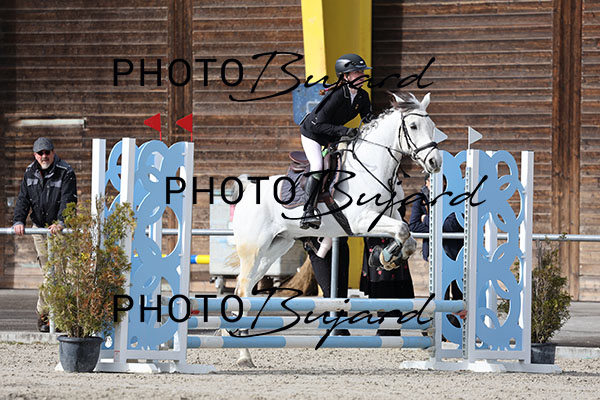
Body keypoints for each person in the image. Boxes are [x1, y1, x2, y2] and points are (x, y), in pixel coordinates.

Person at [298, 53, 372, 231]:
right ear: (346, 76)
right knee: (318, 166)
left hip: (332, 137)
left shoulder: (362, 96)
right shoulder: (337, 95)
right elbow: (318, 125)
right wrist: (345, 131)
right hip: (313, 135)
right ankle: (307, 211)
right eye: (357, 72)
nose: (362, 75)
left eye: (362, 72)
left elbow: (369, 120)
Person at [12, 137, 77, 332]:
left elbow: (68, 200)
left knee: (58, 273)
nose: (44, 156)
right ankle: (48, 317)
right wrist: (18, 221)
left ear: (53, 153)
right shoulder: (29, 172)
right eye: (40, 153)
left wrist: (61, 222)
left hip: (58, 230)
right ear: (35, 155)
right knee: (50, 273)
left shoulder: (65, 171)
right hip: (40, 229)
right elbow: (23, 199)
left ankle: (48, 315)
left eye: (47, 152)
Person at [409, 175, 466, 324]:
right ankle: (438, 326)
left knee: (459, 292)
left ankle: (457, 326)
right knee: (439, 293)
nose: (437, 184)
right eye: (432, 181)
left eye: (441, 181)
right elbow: (413, 226)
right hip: (435, 253)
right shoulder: (421, 198)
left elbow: (453, 225)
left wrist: (426, 219)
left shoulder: (454, 196)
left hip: (456, 253)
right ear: (426, 183)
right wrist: (438, 225)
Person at [361, 205, 415, 336]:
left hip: (393, 239)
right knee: (381, 283)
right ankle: (385, 326)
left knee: (396, 285)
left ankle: (393, 328)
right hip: (377, 239)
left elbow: (400, 212)